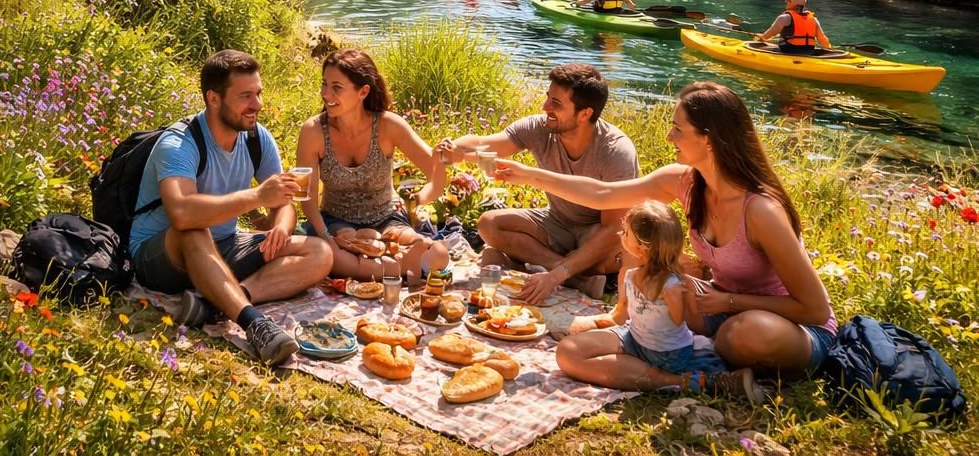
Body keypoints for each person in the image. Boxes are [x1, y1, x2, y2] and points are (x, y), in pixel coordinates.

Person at [497, 81, 837, 387]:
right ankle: (677, 365)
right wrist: (531, 176)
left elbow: (815, 310)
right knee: (659, 284)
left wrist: (729, 301)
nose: (668, 137)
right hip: (719, 307)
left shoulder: (761, 211)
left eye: (677, 129)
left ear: (707, 139)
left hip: (790, 327)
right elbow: (602, 194)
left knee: (744, 333)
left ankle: (700, 355)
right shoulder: (684, 181)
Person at [128, 50, 334, 366]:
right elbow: (181, 212)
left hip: (222, 246)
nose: (257, 105)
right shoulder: (180, 142)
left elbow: (283, 200)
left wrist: (281, 224)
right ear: (213, 99)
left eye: (259, 93)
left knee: (320, 253)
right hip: (162, 256)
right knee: (193, 230)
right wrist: (257, 198)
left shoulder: (256, 138)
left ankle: (215, 303)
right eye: (246, 96)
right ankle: (254, 323)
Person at [435, 63, 636, 303]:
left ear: (584, 114)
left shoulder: (615, 150)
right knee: (490, 225)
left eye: (557, 104)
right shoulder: (540, 127)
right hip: (557, 223)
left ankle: (549, 268)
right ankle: (575, 277)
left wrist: (558, 274)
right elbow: (485, 143)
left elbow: (613, 227)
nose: (545, 107)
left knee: (620, 249)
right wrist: (456, 148)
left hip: (596, 231)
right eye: (548, 97)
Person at [565, 200, 762, 401]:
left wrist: (683, 297)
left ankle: (682, 381)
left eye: (625, 233)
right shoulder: (631, 275)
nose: (620, 235)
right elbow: (620, 315)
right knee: (567, 351)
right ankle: (669, 377)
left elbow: (684, 322)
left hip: (669, 354)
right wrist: (583, 326)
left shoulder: (674, 285)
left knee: (591, 361)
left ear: (641, 247)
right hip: (635, 338)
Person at [295, 50, 449, 283]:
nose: (326, 94)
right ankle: (396, 268)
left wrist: (419, 196)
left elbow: (435, 174)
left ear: (363, 92)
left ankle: (374, 266)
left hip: (387, 219)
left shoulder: (389, 126)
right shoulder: (312, 131)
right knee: (332, 251)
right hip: (335, 221)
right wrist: (325, 236)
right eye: (324, 84)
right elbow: (303, 195)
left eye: (337, 87)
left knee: (438, 253)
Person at [757, 0, 831, 54]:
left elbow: (771, 33)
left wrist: (761, 38)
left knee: (762, 47)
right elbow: (822, 39)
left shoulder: (784, 18)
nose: (786, 3)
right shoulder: (814, 19)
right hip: (808, 51)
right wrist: (829, 49)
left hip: (789, 50)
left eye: (787, 1)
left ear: (791, 2)